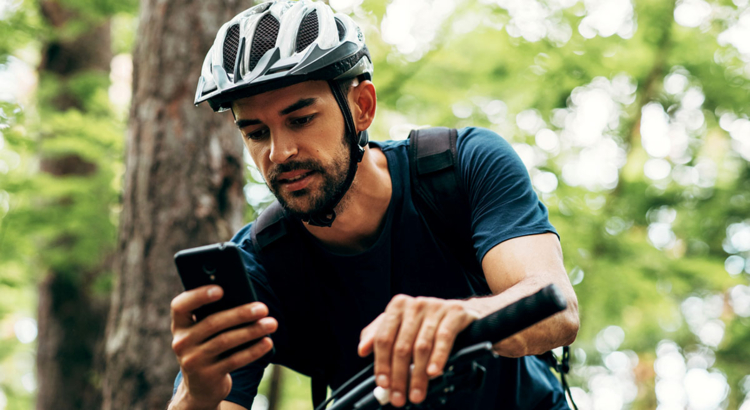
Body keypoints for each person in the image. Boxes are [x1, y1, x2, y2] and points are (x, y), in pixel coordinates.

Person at [168, 1, 580, 409]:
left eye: (301, 119)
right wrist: (196, 394)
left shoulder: (463, 166)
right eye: (257, 133)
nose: (279, 152)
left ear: (362, 106)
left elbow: (555, 306)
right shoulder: (257, 265)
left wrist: (463, 318)